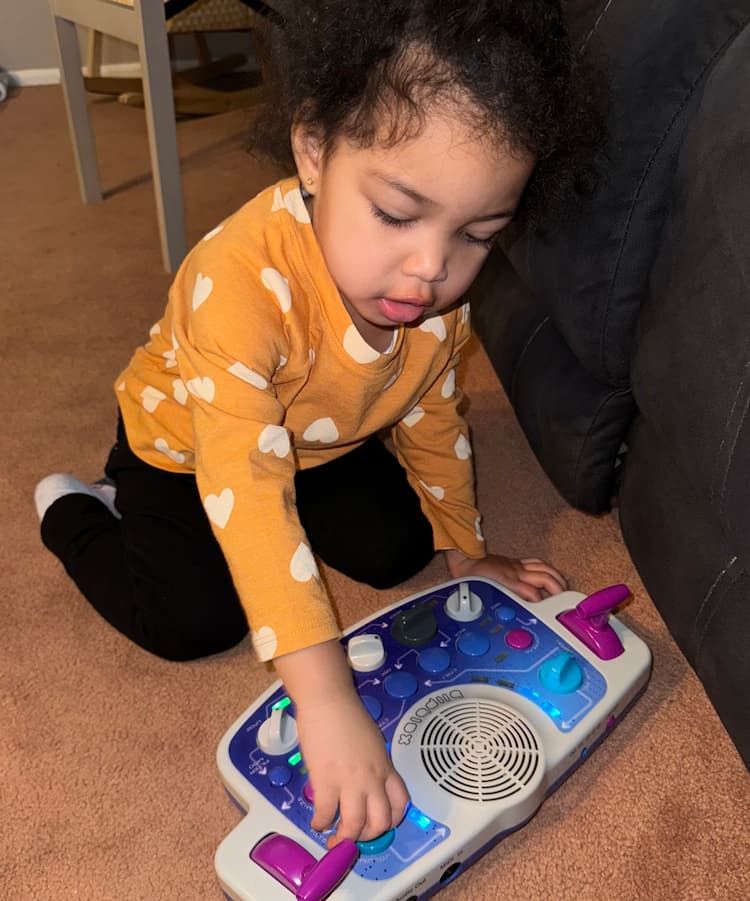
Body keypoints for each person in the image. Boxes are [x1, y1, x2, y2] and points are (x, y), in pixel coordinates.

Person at [35, 0, 601, 851]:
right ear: (313, 149)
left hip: (319, 436)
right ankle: (74, 509)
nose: (431, 270)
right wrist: (326, 697)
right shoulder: (234, 285)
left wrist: (465, 543)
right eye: (399, 213)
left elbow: (430, 410)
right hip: (192, 447)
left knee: (396, 549)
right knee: (195, 622)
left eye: (477, 235)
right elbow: (252, 496)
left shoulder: (432, 295)